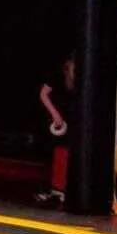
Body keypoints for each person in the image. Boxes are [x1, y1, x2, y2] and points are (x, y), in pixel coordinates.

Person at [38, 53, 75, 206]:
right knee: (53, 151)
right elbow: (43, 94)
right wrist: (55, 114)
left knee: (66, 152)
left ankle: (61, 188)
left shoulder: (80, 78)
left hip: (68, 117)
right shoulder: (57, 74)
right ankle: (50, 189)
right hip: (55, 117)